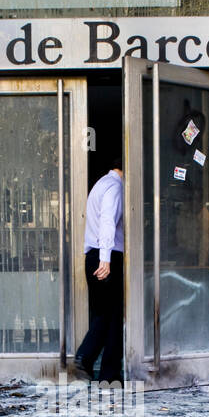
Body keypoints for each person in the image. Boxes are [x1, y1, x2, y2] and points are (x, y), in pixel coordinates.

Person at [76, 159, 124, 383]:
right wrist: (106, 259)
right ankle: (94, 364)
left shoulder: (100, 183)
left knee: (102, 314)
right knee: (113, 317)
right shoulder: (115, 187)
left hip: (94, 255)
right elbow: (107, 221)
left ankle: (96, 365)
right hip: (106, 256)